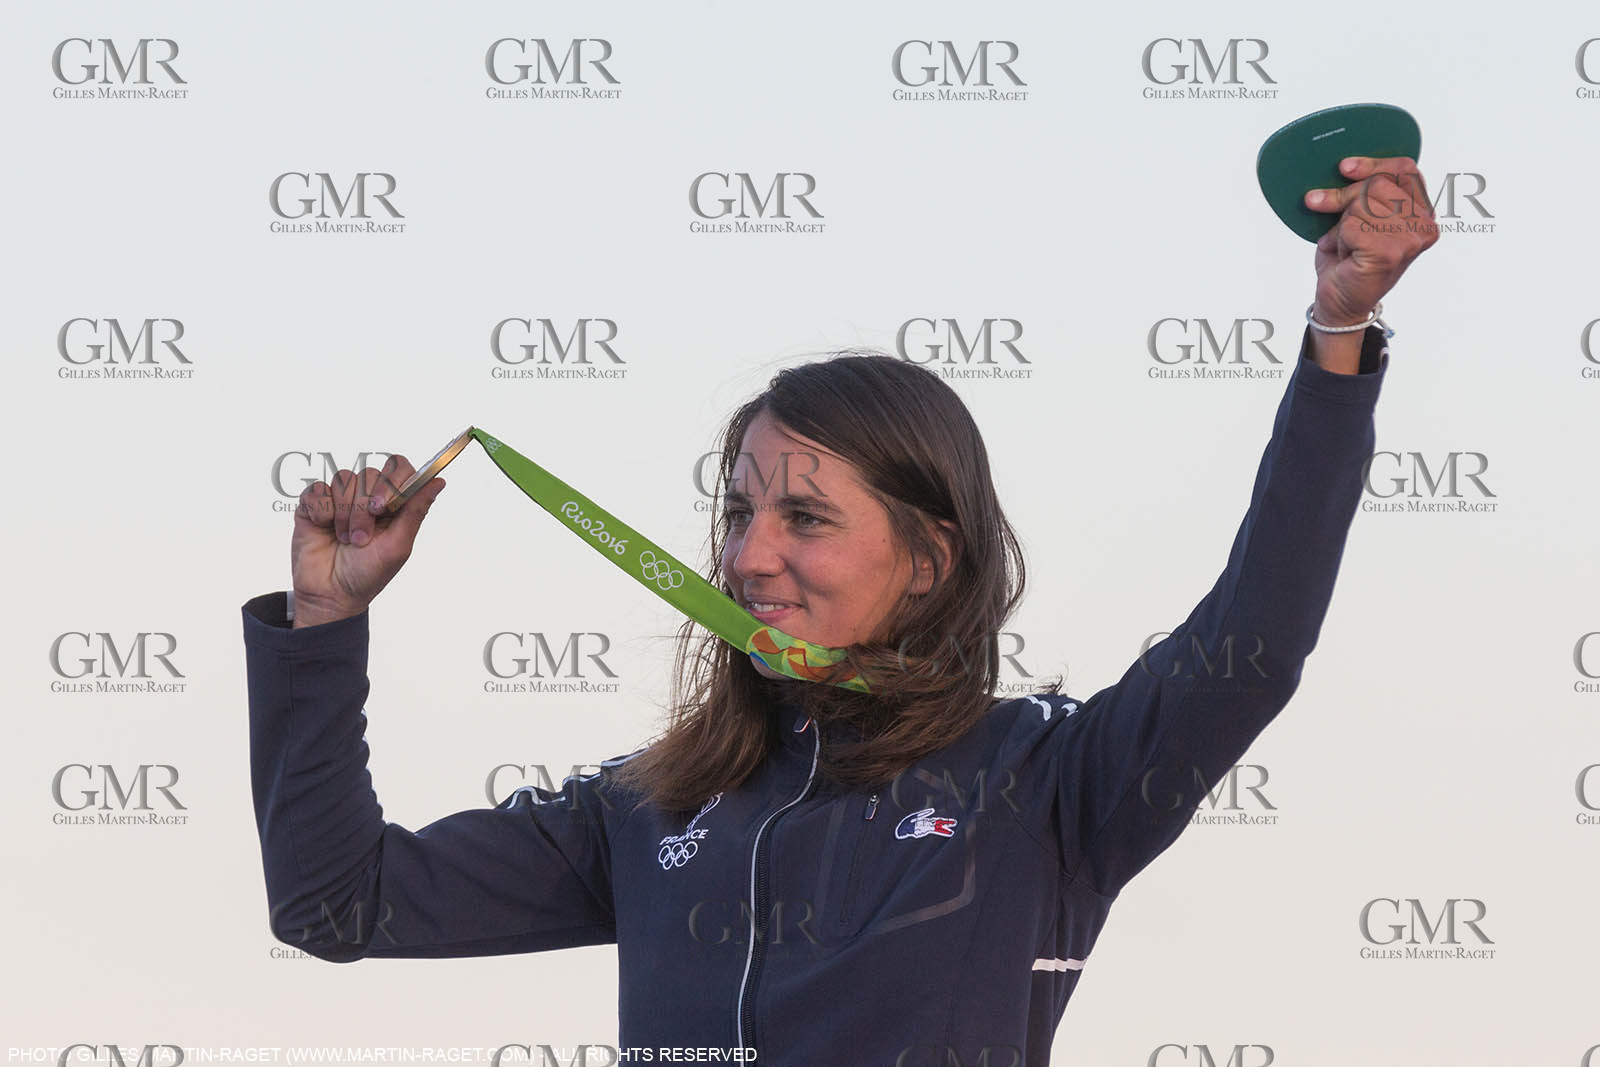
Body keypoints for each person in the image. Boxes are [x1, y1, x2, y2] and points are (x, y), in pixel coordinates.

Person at [243, 156, 1437, 1065]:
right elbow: (336, 902)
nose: (751, 553)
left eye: (806, 518)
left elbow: (1258, 638)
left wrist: (1338, 334)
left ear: (926, 558)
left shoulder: (1047, 785)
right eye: (738, 510)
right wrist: (323, 619)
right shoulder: (647, 805)